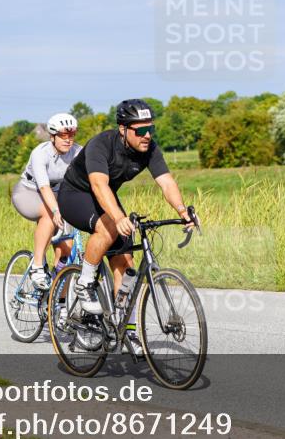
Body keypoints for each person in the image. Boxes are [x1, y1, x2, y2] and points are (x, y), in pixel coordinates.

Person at [57, 99, 193, 350]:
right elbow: (98, 185)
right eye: (140, 131)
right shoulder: (101, 144)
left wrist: (183, 211)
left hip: (106, 197)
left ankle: (126, 329)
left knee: (127, 263)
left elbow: (166, 182)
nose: (147, 135)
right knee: (109, 226)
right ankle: (84, 283)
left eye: (150, 129)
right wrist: (118, 217)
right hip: (75, 195)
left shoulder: (150, 149)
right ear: (123, 129)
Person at [11, 112, 82, 289]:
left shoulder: (78, 152)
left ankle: (57, 297)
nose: (68, 140)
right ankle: (37, 266)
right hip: (29, 192)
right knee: (49, 215)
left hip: (57, 194)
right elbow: (43, 187)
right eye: (63, 136)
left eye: (71, 135)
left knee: (67, 249)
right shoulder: (40, 153)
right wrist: (56, 210)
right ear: (52, 137)